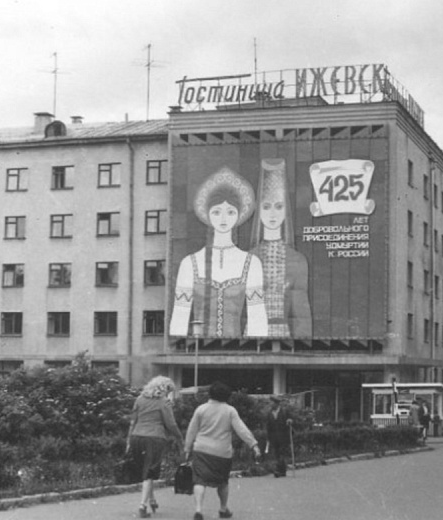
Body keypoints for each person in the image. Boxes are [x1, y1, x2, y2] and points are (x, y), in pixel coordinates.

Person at [170, 168, 268, 338]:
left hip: (239, 353)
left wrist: (254, 351)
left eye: (230, 212)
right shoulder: (190, 263)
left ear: (238, 215)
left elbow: (257, 316)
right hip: (196, 353)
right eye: (216, 212)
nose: (223, 219)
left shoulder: (251, 263)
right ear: (207, 215)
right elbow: (180, 314)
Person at [249, 159, 312, 337]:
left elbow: (301, 312)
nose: (272, 213)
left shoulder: (298, 260)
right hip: (252, 336)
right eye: (266, 207)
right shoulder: (249, 258)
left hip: (284, 335)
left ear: (286, 210)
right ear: (259, 211)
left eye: (279, 206)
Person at [184, 381, 262, 520]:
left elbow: (192, 430)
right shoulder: (230, 410)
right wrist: (253, 444)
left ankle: (198, 510)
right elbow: (241, 430)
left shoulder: (201, 409)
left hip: (201, 449)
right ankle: (223, 508)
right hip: (222, 452)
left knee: (199, 481)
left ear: (211, 394)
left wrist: (187, 448)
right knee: (223, 482)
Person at [127, 376, 184, 518]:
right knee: (150, 472)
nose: (169, 394)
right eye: (169, 391)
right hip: (154, 438)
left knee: (146, 471)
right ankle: (142, 505)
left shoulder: (139, 399)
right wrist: (179, 437)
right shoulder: (164, 403)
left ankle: (152, 500)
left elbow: (132, 422)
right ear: (164, 389)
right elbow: (171, 424)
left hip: (136, 437)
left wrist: (128, 441)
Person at [265, 395, 293, 477]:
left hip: (283, 436)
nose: (271, 404)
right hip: (274, 437)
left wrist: (289, 421)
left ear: (276, 403)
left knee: (281, 453)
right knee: (277, 454)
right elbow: (268, 426)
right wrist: (268, 437)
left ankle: (278, 470)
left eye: (272, 403)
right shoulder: (269, 413)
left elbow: (290, 418)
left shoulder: (284, 411)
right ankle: (282, 471)